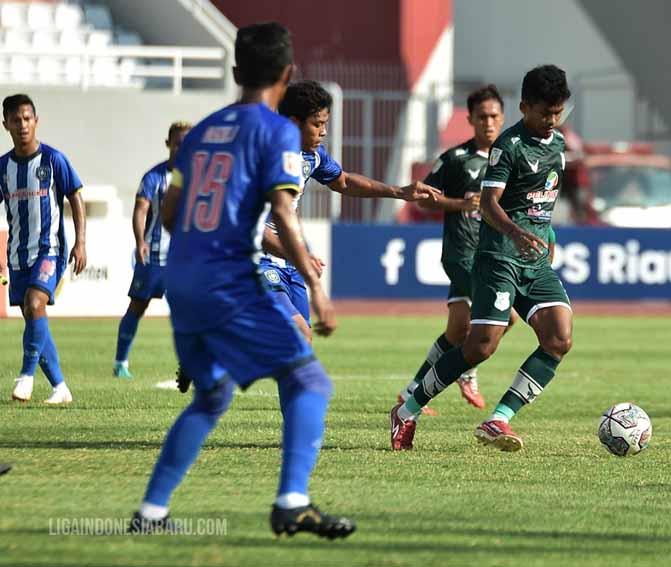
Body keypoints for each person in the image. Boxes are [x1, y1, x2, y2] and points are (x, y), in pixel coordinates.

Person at [129, 23, 354, 540]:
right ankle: (292, 503)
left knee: (212, 397)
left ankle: (152, 513)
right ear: (287, 74)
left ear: (235, 72)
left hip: (181, 279)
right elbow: (284, 209)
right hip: (230, 280)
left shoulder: (202, 131)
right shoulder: (277, 131)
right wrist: (315, 285)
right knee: (310, 381)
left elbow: (169, 212)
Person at [390, 65, 573, 452]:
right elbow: (489, 205)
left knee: (559, 338)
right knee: (478, 348)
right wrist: (515, 233)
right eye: (544, 113)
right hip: (499, 258)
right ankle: (407, 409)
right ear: (525, 107)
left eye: (557, 112)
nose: (551, 120)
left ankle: (498, 419)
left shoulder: (558, 145)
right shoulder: (509, 147)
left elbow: (543, 204)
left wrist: (547, 238)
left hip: (535, 262)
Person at [259, 80, 437, 341]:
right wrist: (300, 256)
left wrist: (399, 192)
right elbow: (252, 228)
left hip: (289, 261)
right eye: (317, 124)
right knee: (297, 333)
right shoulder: (265, 157)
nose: (324, 132)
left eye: (325, 124)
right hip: (258, 259)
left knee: (302, 342)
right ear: (295, 123)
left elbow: (343, 181)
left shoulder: (312, 156)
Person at [395, 85, 510, 412]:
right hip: (461, 253)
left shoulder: (509, 158)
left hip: (492, 254)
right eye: (482, 117)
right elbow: (425, 199)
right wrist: (460, 203)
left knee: (459, 328)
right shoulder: (456, 159)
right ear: (471, 119)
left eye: (494, 116)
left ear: (502, 119)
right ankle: (468, 370)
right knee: (508, 316)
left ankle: (412, 390)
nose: (489, 123)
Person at [1, 93, 86, 405]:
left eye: (27, 119)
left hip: (49, 250)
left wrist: (81, 241)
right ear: (6, 124)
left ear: (36, 121)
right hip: (18, 254)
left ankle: (25, 376)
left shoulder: (53, 159)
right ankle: (60, 387)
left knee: (35, 301)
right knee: (31, 311)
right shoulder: (3, 168)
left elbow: (75, 196)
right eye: (16, 120)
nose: (22, 125)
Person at [113, 121, 192, 379]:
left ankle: (189, 365)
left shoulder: (197, 179)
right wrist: (140, 242)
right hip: (154, 255)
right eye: (178, 142)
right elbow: (141, 210)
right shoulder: (154, 177)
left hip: (184, 259)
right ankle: (120, 362)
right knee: (138, 306)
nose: (182, 148)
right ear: (168, 144)